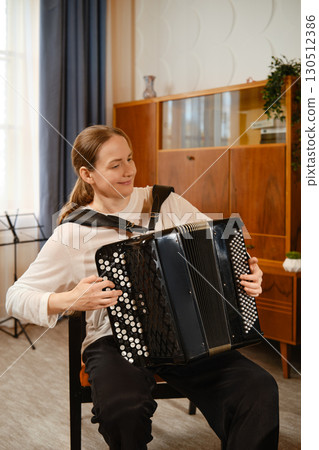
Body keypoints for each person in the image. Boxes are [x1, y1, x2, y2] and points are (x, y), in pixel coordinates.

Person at [6, 125, 279, 449]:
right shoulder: (73, 233)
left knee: (258, 388)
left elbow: (219, 247)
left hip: (186, 334)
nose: (129, 170)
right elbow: (15, 298)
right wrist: (69, 298)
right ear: (88, 174)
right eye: (115, 164)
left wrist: (245, 274)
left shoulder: (165, 202)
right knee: (124, 407)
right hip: (115, 341)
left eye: (130, 159)